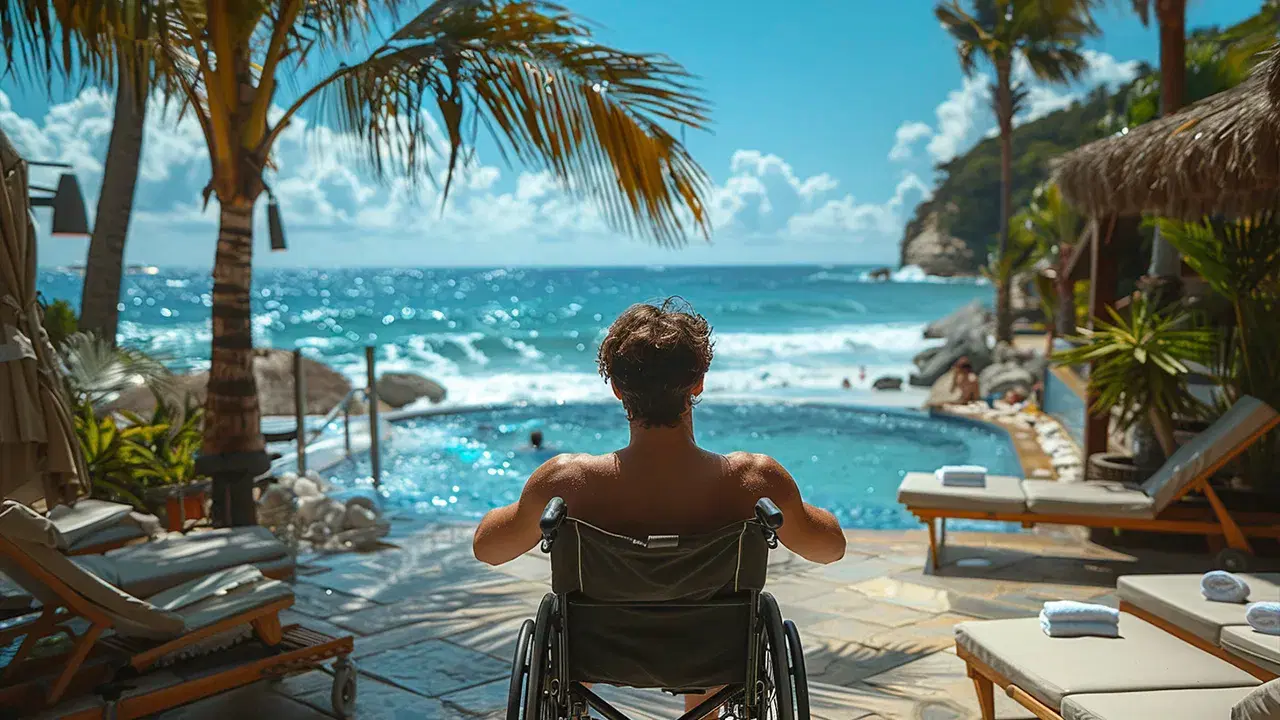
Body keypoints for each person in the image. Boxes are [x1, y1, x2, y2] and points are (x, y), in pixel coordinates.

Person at [473, 298, 846, 713]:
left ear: (616, 388)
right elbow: (829, 548)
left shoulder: (568, 481)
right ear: (698, 382)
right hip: (714, 652)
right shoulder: (751, 480)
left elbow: (488, 548)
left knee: (570, 633)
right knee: (707, 630)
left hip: (598, 651)